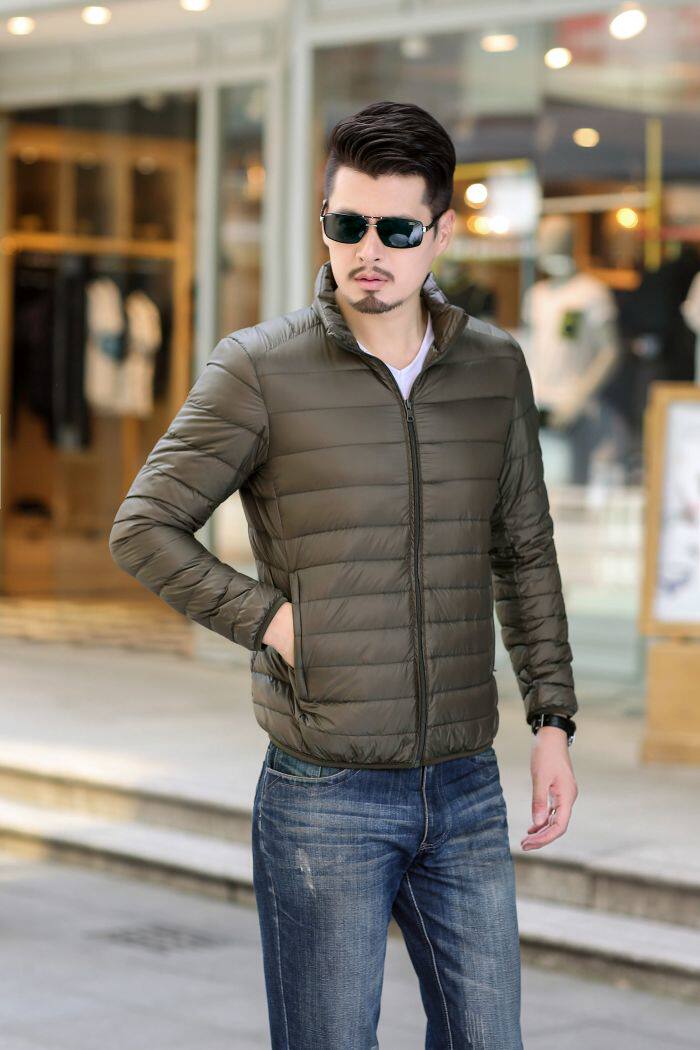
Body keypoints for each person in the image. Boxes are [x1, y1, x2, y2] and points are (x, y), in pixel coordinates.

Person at [109, 99, 579, 1050]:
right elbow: (144, 527)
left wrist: (553, 722)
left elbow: (524, 549)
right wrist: (272, 621)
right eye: (346, 223)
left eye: (397, 230)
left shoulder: (494, 369)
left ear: (441, 234)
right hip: (325, 794)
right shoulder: (259, 369)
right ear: (323, 221)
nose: (368, 251)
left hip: (465, 786)